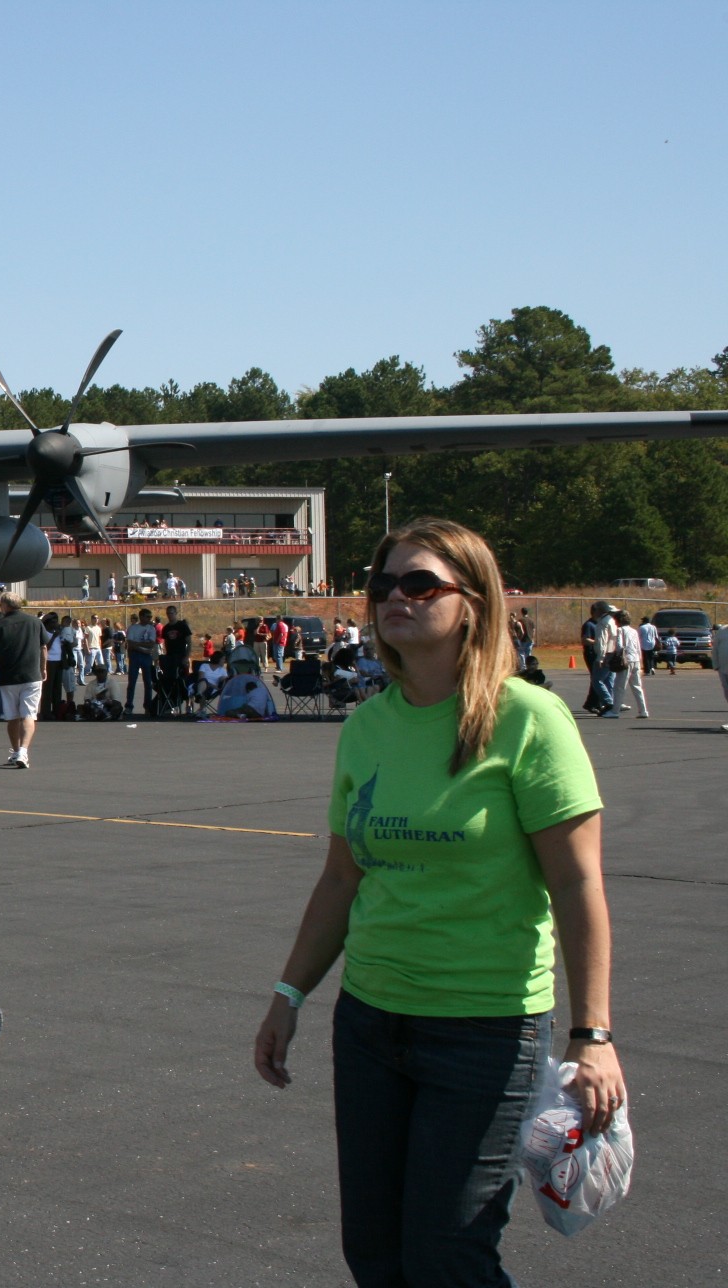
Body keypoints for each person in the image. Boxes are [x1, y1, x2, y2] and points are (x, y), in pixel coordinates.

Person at [253, 517, 624, 1286]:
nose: (397, 598)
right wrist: (289, 994)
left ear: (474, 604)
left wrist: (593, 1032)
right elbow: (340, 880)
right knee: (377, 1254)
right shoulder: (368, 727)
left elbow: (579, 884)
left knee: (447, 1254)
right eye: (384, 585)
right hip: (370, 1023)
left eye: (421, 584)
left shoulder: (529, 721)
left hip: (483, 1028)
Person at [0, 591, 45, 768]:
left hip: (8, 676)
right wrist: (43, 668)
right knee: (28, 714)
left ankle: (17, 750)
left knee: (12, 716)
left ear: (4, 606)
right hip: (32, 675)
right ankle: (23, 751)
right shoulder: (35, 622)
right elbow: (43, 647)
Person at [580, 600, 618, 716]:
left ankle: (608, 702)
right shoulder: (609, 622)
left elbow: (602, 642)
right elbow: (587, 639)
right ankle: (603, 703)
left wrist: (601, 657)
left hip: (604, 654)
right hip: (608, 653)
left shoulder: (603, 623)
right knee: (607, 680)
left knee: (597, 680)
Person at [124, 607, 160, 715]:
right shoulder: (133, 628)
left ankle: (147, 706)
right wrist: (140, 647)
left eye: (150, 617)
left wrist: (137, 644)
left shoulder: (152, 629)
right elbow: (130, 644)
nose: (149, 619)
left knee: (148, 683)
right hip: (135, 656)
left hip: (147, 657)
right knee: (132, 682)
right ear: (141, 617)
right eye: (147, 617)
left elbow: (151, 643)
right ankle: (129, 705)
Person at [613, 609, 648, 719]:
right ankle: (643, 710)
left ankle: (615, 711)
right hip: (636, 660)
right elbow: (638, 647)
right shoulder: (634, 631)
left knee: (619, 687)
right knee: (637, 687)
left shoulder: (620, 630)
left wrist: (616, 655)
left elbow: (619, 646)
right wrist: (640, 662)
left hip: (626, 660)